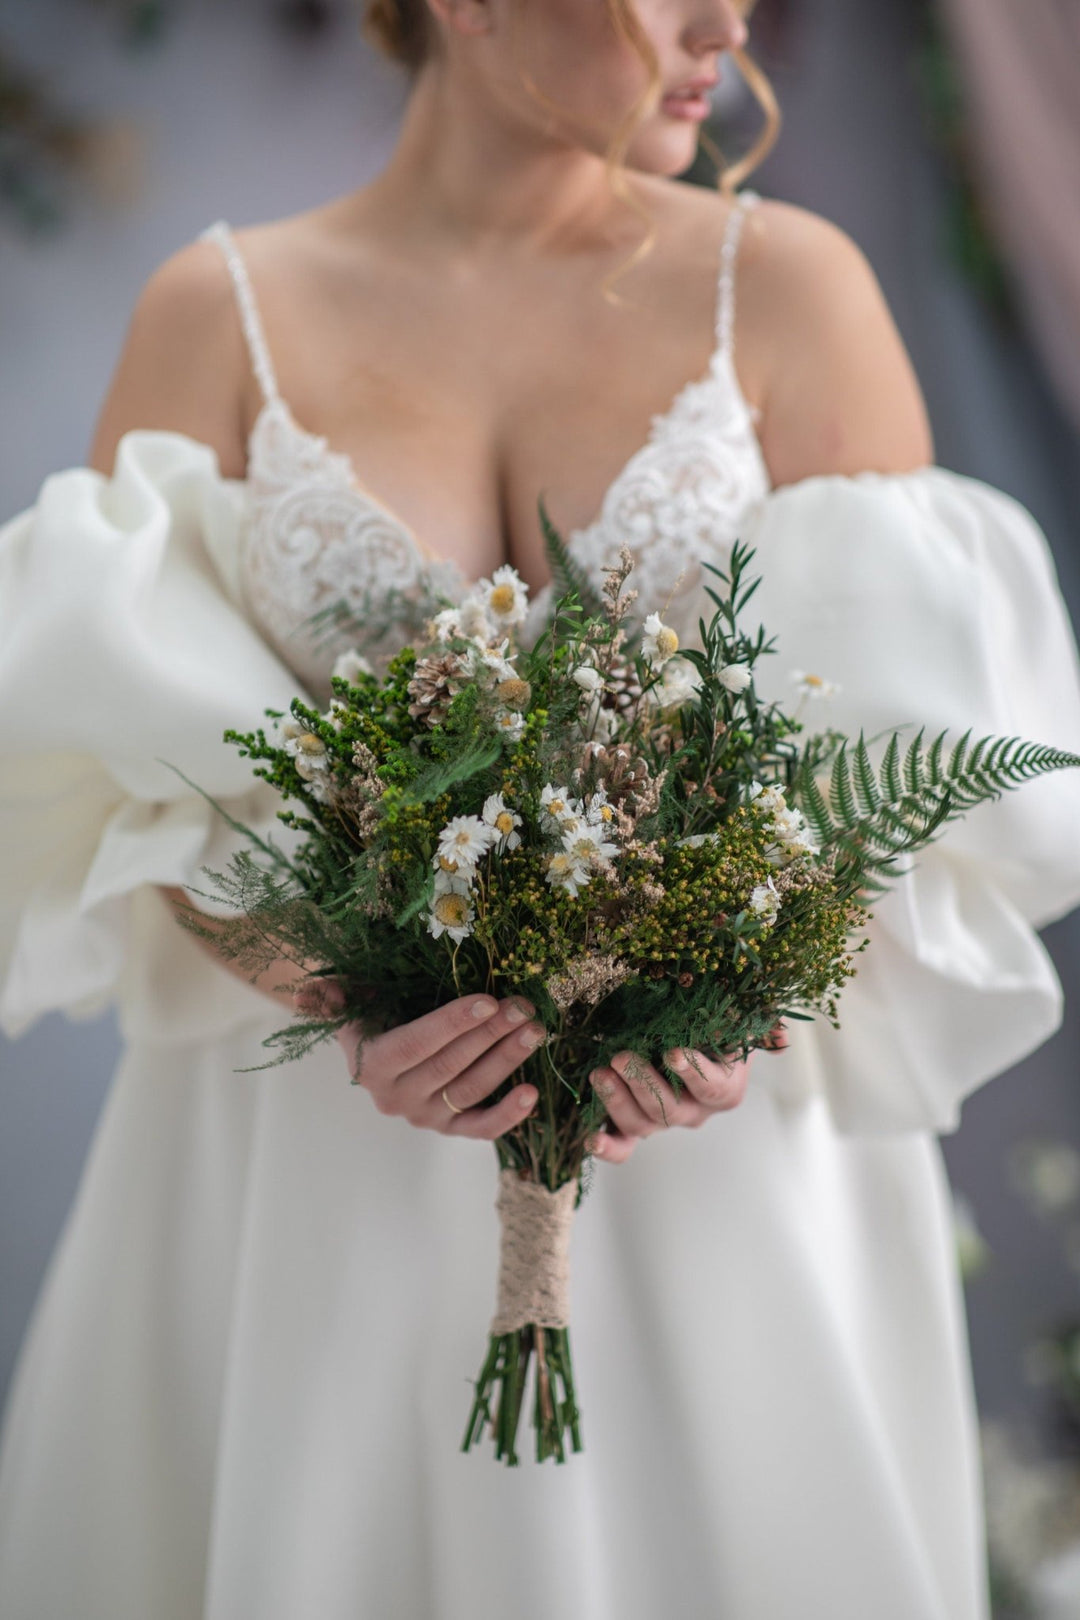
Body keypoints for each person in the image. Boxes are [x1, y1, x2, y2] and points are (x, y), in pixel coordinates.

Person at [3, 1, 1080, 1616]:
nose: (727, 23)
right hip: (313, 1185)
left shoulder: (787, 292)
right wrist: (325, 984)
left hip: (712, 1191)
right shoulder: (217, 317)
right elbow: (120, 759)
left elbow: (893, 773)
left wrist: (753, 994)